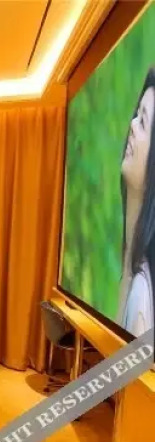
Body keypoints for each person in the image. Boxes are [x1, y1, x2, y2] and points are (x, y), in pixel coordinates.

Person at [118, 68, 155, 338]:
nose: (131, 125)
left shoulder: (142, 298)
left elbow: (130, 363)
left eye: (142, 122)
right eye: (136, 115)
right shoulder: (134, 264)